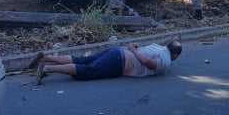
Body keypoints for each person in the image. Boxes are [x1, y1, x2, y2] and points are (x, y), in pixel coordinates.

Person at [28, 41, 183, 84]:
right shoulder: (166, 60)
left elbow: (142, 51)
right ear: (175, 55)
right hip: (120, 61)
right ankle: (46, 69)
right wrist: (135, 50)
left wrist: (134, 47)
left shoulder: (159, 47)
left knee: (82, 60)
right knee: (86, 70)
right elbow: (147, 62)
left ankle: (44, 58)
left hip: (117, 52)